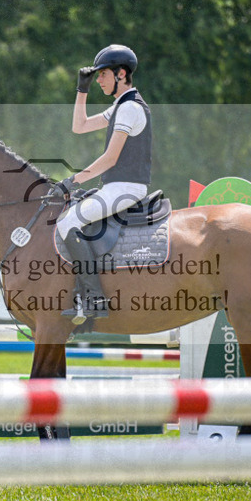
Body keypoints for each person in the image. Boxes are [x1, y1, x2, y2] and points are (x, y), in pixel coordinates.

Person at [52, 44, 152, 323]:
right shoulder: (120, 107)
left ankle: (94, 298)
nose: (98, 80)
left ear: (121, 74)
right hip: (116, 187)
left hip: (126, 188)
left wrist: (72, 180)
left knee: (67, 223)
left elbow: (110, 159)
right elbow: (79, 126)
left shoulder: (130, 108)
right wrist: (81, 92)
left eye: (103, 74)